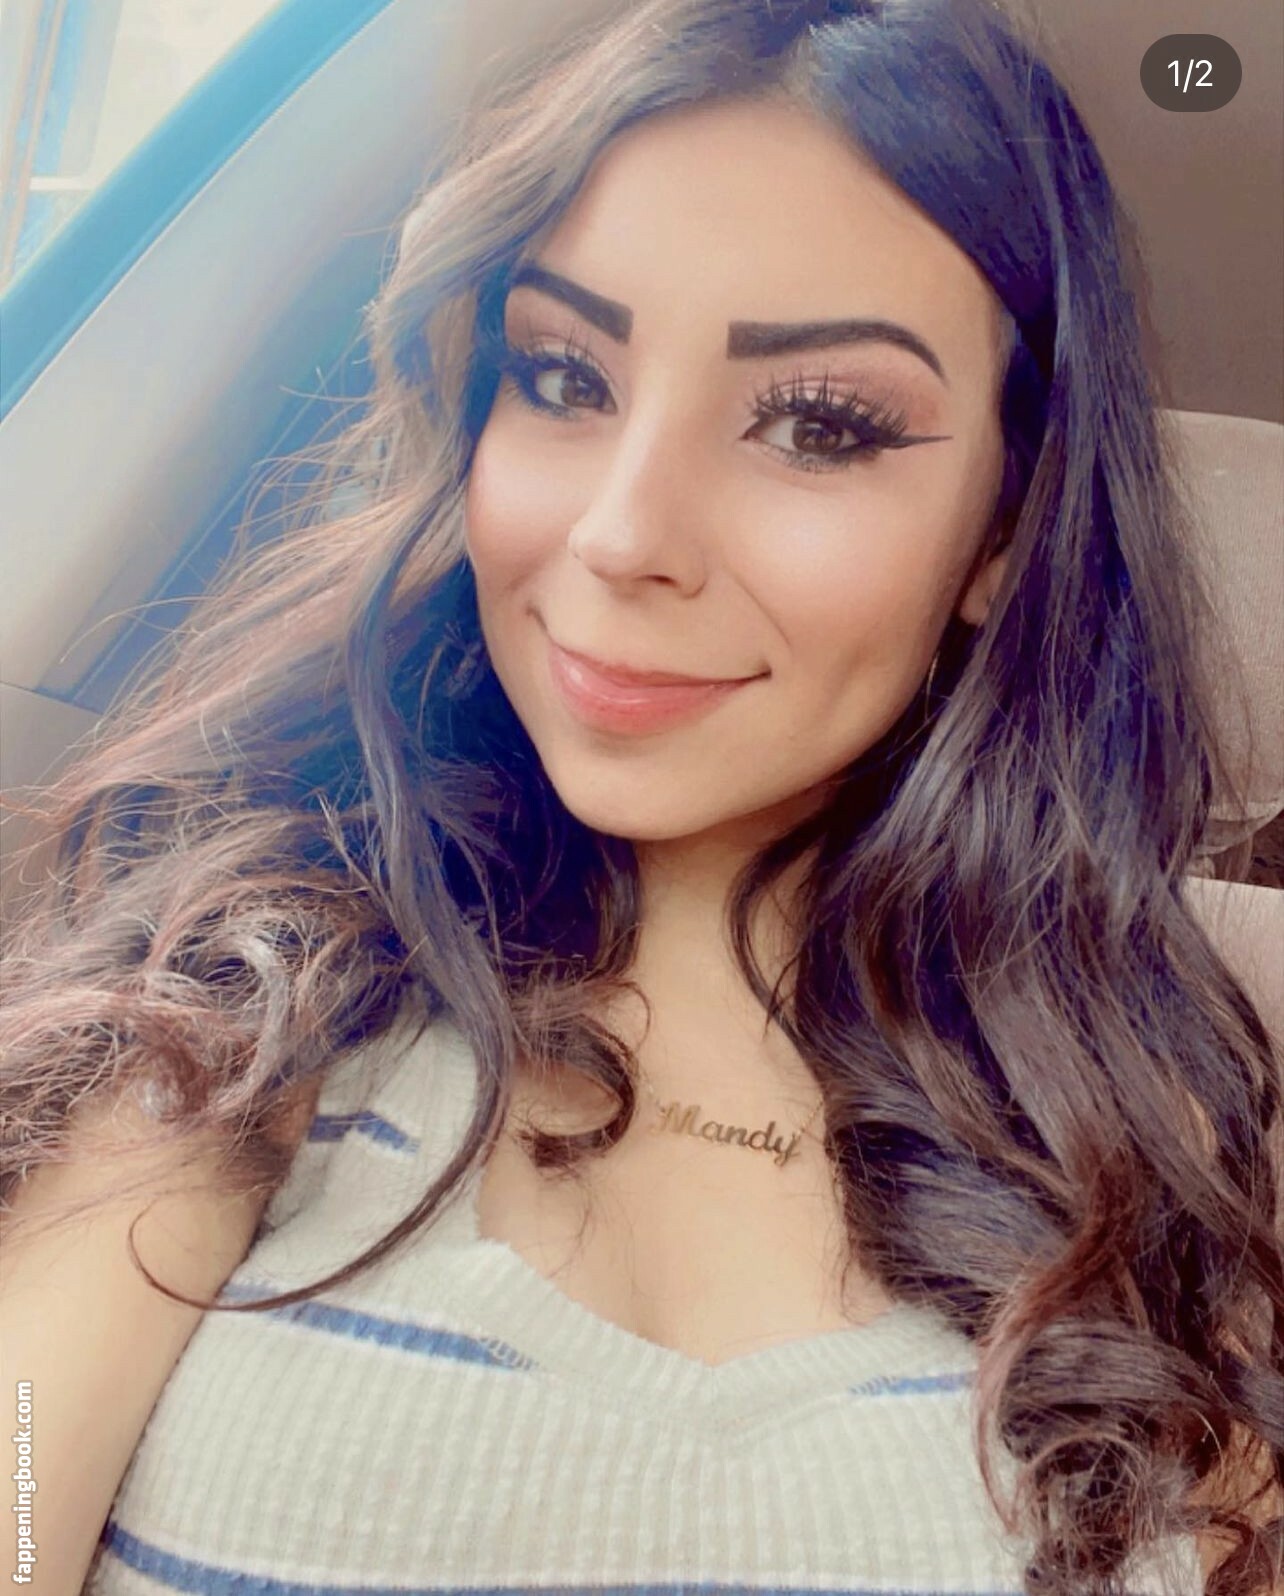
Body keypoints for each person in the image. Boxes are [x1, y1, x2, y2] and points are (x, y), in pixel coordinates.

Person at [2, 0, 1280, 1591]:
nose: (620, 535)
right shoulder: (243, 1009)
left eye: (818, 424)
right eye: (562, 376)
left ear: (1003, 533)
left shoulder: (1150, 1140)